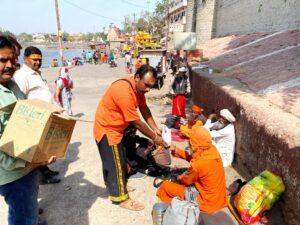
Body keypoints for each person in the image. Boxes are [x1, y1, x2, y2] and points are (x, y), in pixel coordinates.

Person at [0, 35, 57, 225]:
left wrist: (43, 149)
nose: (10, 65)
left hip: (28, 167)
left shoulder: (11, 84)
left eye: (13, 60)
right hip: (13, 174)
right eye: (3, 60)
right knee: (23, 218)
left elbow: (25, 118)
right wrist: (33, 158)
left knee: (24, 211)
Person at [94, 65, 167, 211]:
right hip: (108, 130)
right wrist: (155, 137)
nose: (147, 89)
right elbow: (137, 122)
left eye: (150, 87)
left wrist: (155, 128)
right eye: (146, 85)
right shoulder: (124, 92)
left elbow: (144, 109)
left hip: (119, 128)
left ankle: (113, 182)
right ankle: (121, 198)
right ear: (137, 78)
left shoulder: (138, 89)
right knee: (116, 163)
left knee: (116, 160)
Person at [13, 46, 61, 185]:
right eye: (34, 59)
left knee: (43, 146)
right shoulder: (22, 76)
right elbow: (20, 99)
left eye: (40, 59)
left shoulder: (36, 73)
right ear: (25, 59)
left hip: (45, 117)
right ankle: (42, 177)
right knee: (37, 149)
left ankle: (45, 170)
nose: (38, 62)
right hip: (34, 119)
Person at [156, 126, 228, 215]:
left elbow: (186, 181)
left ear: (195, 143)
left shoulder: (198, 164)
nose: (189, 142)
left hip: (207, 202)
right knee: (187, 171)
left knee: (165, 186)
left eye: (191, 141)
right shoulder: (211, 149)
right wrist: (176, 150)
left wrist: (179, 177)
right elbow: (195, 158)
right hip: (219, 198)